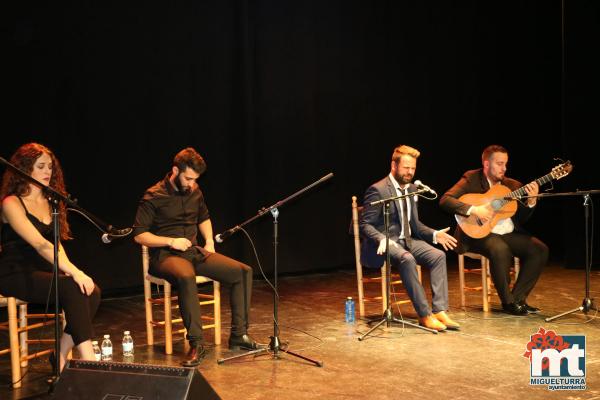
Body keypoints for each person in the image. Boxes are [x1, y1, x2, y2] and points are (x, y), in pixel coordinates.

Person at [133, 147, 259, 367]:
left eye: (195, 179)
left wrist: (209, 241)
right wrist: (170, 241)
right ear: (175, 170)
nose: (191, 183)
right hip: (164, 256)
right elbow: (139, 235)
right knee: (186, 275)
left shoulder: (195, 191)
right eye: (188, 178)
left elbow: (204, 217)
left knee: (242, 272)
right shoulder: (154, 195)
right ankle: (197, 343)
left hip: (193, 252)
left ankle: (239, 335)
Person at [0, 143, 100, 372]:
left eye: (50, 167)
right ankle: (89, 363)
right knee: (73, 287)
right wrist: (74, 273)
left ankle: (60, 354)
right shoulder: (11, 203)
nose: (48, 172)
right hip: (14, 272)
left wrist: (73, 271)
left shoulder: (51, 201)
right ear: (25, 169)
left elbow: (56, 246)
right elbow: (39, 243)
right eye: (41, 166)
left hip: (43, 269)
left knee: (92, 291)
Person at [439, 144, 548, 315]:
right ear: (486, 164)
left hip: (507, 233)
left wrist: (532, 201)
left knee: (539, 249)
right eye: (499, 164)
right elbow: (446, 200)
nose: (504, 168)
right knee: (500, 249)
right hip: (476, 233)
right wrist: (475, 210)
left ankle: (518, 299)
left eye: (505, 164)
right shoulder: (471, 178)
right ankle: (508, 302)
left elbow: (521, 218)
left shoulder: (512, 186)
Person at [360, 145, 460, 331]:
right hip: (386, 243)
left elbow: (415, 225)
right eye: (406, 168)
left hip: (407, 241)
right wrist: (381, 238)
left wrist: (434, 234)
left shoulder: (413, 189)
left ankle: (439, 310)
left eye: (413, 168)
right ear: (394, 165)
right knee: (407, 259)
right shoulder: (378, 190)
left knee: (438, 256)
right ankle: (424, 315)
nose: (410, 172)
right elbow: (365, 224)